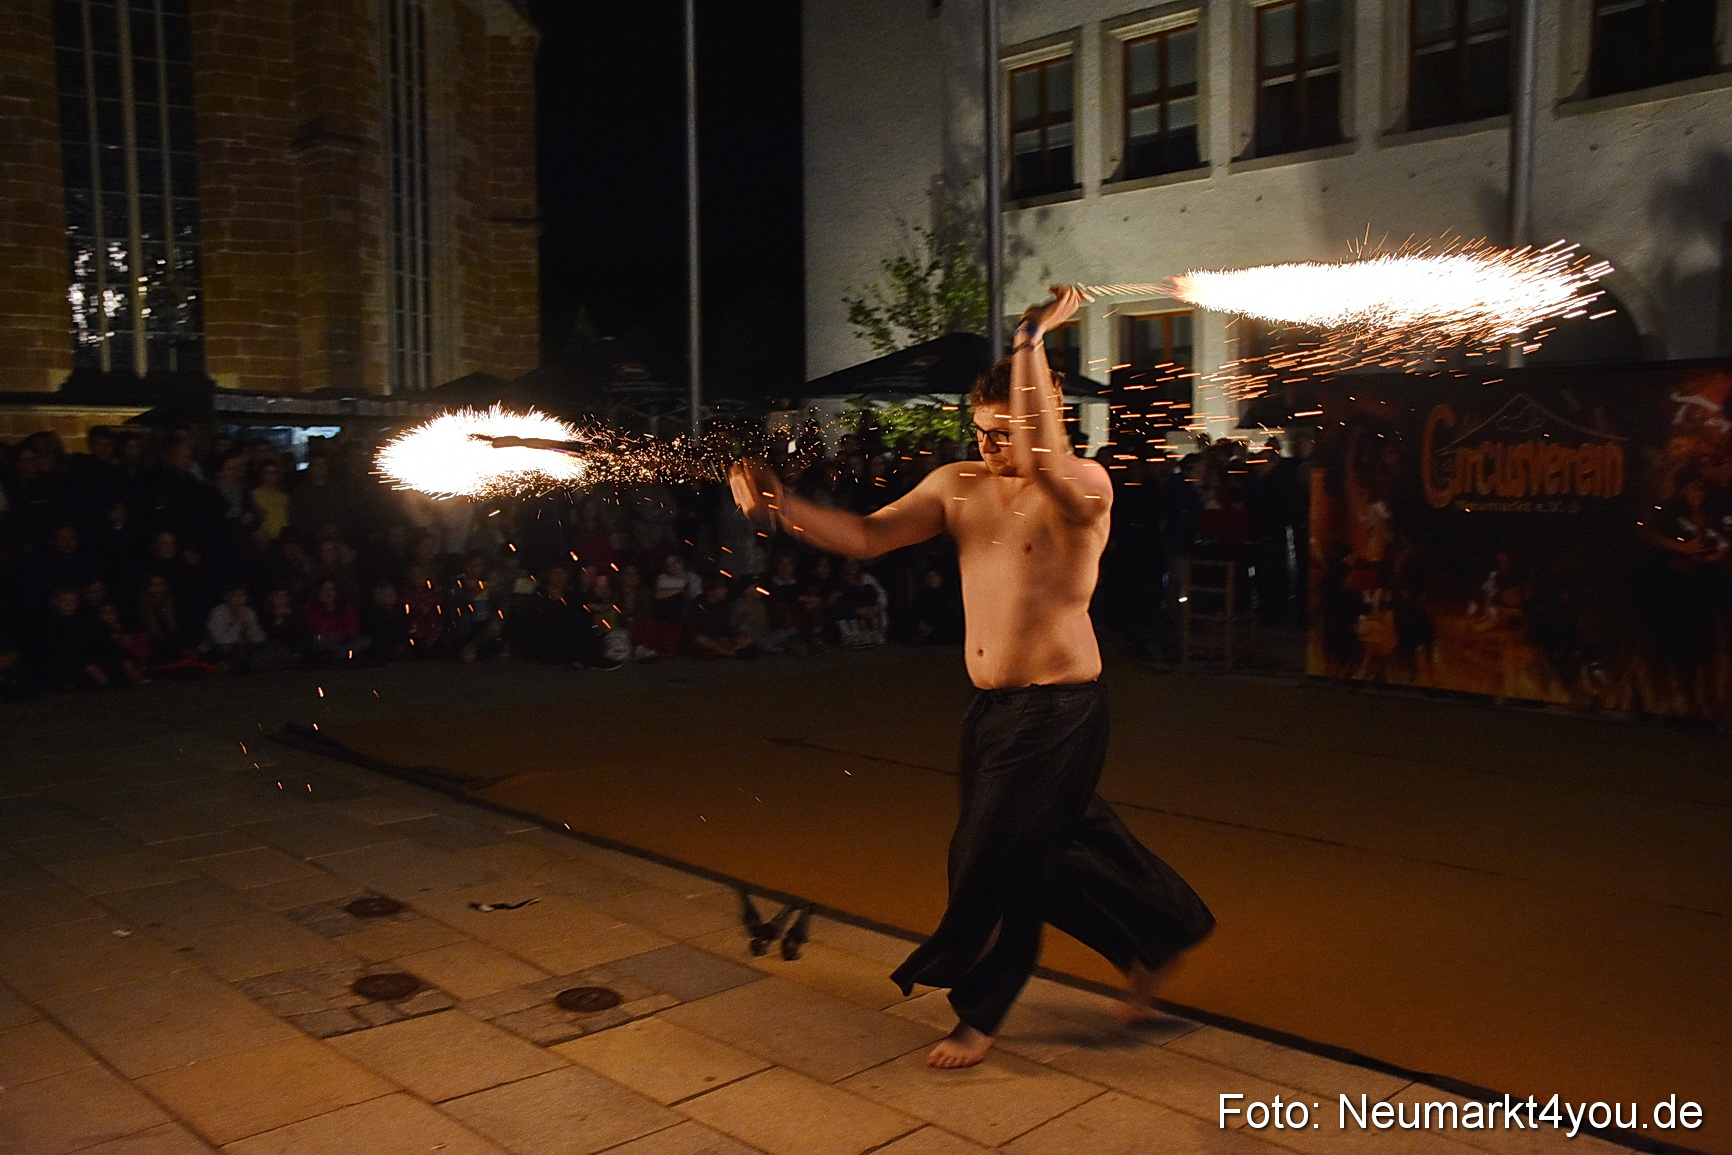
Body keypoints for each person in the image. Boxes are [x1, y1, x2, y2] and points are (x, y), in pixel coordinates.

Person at [730, 285, 1214, 1070]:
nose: (988, 446)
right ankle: (1159, 936)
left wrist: (1029, 338)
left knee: (985, 856)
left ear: (1043, 414)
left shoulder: (1084, 490)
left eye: (1004, 432)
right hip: (990, 712)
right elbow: (864, 536)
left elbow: (1050, 458)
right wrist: (784, 505)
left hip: (1058, 711)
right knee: (1057, 849)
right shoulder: (957, 486)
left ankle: (979, 1013)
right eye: (980, 432)